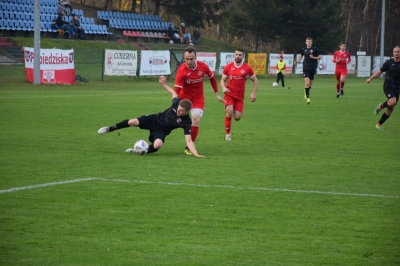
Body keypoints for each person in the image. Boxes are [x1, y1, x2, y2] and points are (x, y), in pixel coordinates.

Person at [98, 76, 204, 157]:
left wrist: (196, 154)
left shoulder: (186, 122)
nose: (178, 111)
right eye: (178, 108)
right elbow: (174, 93)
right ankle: (110, 129)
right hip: (154, 119)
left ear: (187, 112)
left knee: (157, 144)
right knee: (132, 122)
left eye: (181, 111)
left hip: (162, 130)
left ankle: (138, 151)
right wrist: (164, 84)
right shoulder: (177, 103)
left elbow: (189, 141)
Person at [173, 46, 224, 154]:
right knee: (173, 122)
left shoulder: (203, 66)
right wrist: (175, 102)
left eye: (191, 59)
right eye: (186, 59)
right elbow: (177, 89)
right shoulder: (182, 70)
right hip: (184, 99)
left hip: (198, 99)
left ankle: (188, 147)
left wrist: (216, 93)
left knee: (195, 119)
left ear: (196, 57)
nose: (188, 61)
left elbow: (212, 79)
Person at [220, 48, 258, 141]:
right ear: (234, 55)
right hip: (229, 94)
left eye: (240, 55)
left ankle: (229, 108)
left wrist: (253, 93)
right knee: (229, 112)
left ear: (243, 56)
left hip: (240, 96)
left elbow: (255, 80)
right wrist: (224, 88)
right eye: (236, 54)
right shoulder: (228, 67)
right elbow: (223, 80)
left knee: (237, 117)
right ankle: (228, 136)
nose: (238, 56)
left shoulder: (247, 68)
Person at [366, 46, 400, 130]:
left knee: (391, 108)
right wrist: (370, 78)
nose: (396, 53)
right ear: (393, 53)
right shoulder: (388, 63)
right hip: (388, 85)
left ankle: (379, 124)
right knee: (392, 102)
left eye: (398, 52)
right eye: (395, 51)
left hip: (397, 88)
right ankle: (381, 106)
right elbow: (379, 72)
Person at [294, 37, 321, 104]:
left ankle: (306, 90)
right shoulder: (304, 49)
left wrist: (313, 57)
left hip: (313, 68)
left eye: (310, 41)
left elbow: (319, 57)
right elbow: (301, 56)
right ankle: (308, 98)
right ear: (305, 42)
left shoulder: (314, 49)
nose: (308, 42)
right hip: (305, 68)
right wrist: (297, 61)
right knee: (307, 83)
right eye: (307, 41)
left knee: (310, 85)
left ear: (312, 42)